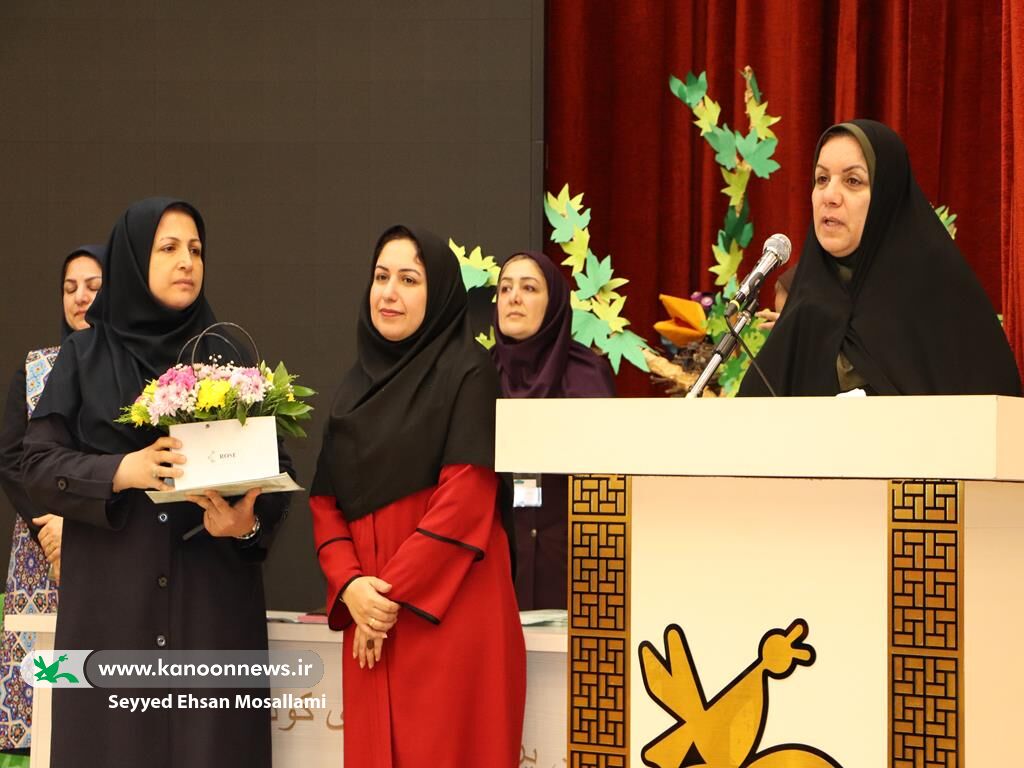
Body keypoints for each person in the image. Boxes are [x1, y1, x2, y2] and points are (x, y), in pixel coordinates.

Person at [21, 198, 293, 768]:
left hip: (211, 616)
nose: (187, 261)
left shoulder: (229, 353)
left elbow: (277, 469)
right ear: (132, 259)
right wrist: (123, 471)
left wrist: (246, 523)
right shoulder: (83, 355)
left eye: (196, 249)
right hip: (114, 614)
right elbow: (37, 466)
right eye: (168, 248)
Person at [310, 225, 526, 767]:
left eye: (409, 280)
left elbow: (466, 500)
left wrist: (381, 602)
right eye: (381, 277)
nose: (389, 292)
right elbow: (326, 505)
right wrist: (351, 586)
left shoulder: (469, 372)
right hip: (372, 617)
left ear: (440, 294)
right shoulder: (352, 389)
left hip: (448, 618)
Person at [738, 119, 1021, 396]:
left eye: (853, 181)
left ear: (886, 195)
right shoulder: (805, 305)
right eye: (822, 179)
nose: (830, 196)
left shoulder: (939, 295)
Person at [0, 244, 104, 758]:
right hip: (44, 551)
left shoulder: (133, 373)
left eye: (94, 286)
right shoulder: (37, 368)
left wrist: (79, 523)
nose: (80, 297)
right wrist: (50, 525)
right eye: (70, 288)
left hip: (108, 542)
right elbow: (12, 456)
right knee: (44, 694)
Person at [491, 251, 615, 609]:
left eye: (529, 288)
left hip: (576, 566)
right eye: (505, 288)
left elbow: (608, 484)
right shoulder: (481, 374)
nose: (514, 298)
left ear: (554, 302)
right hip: (497, 564)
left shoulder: (586, 374)